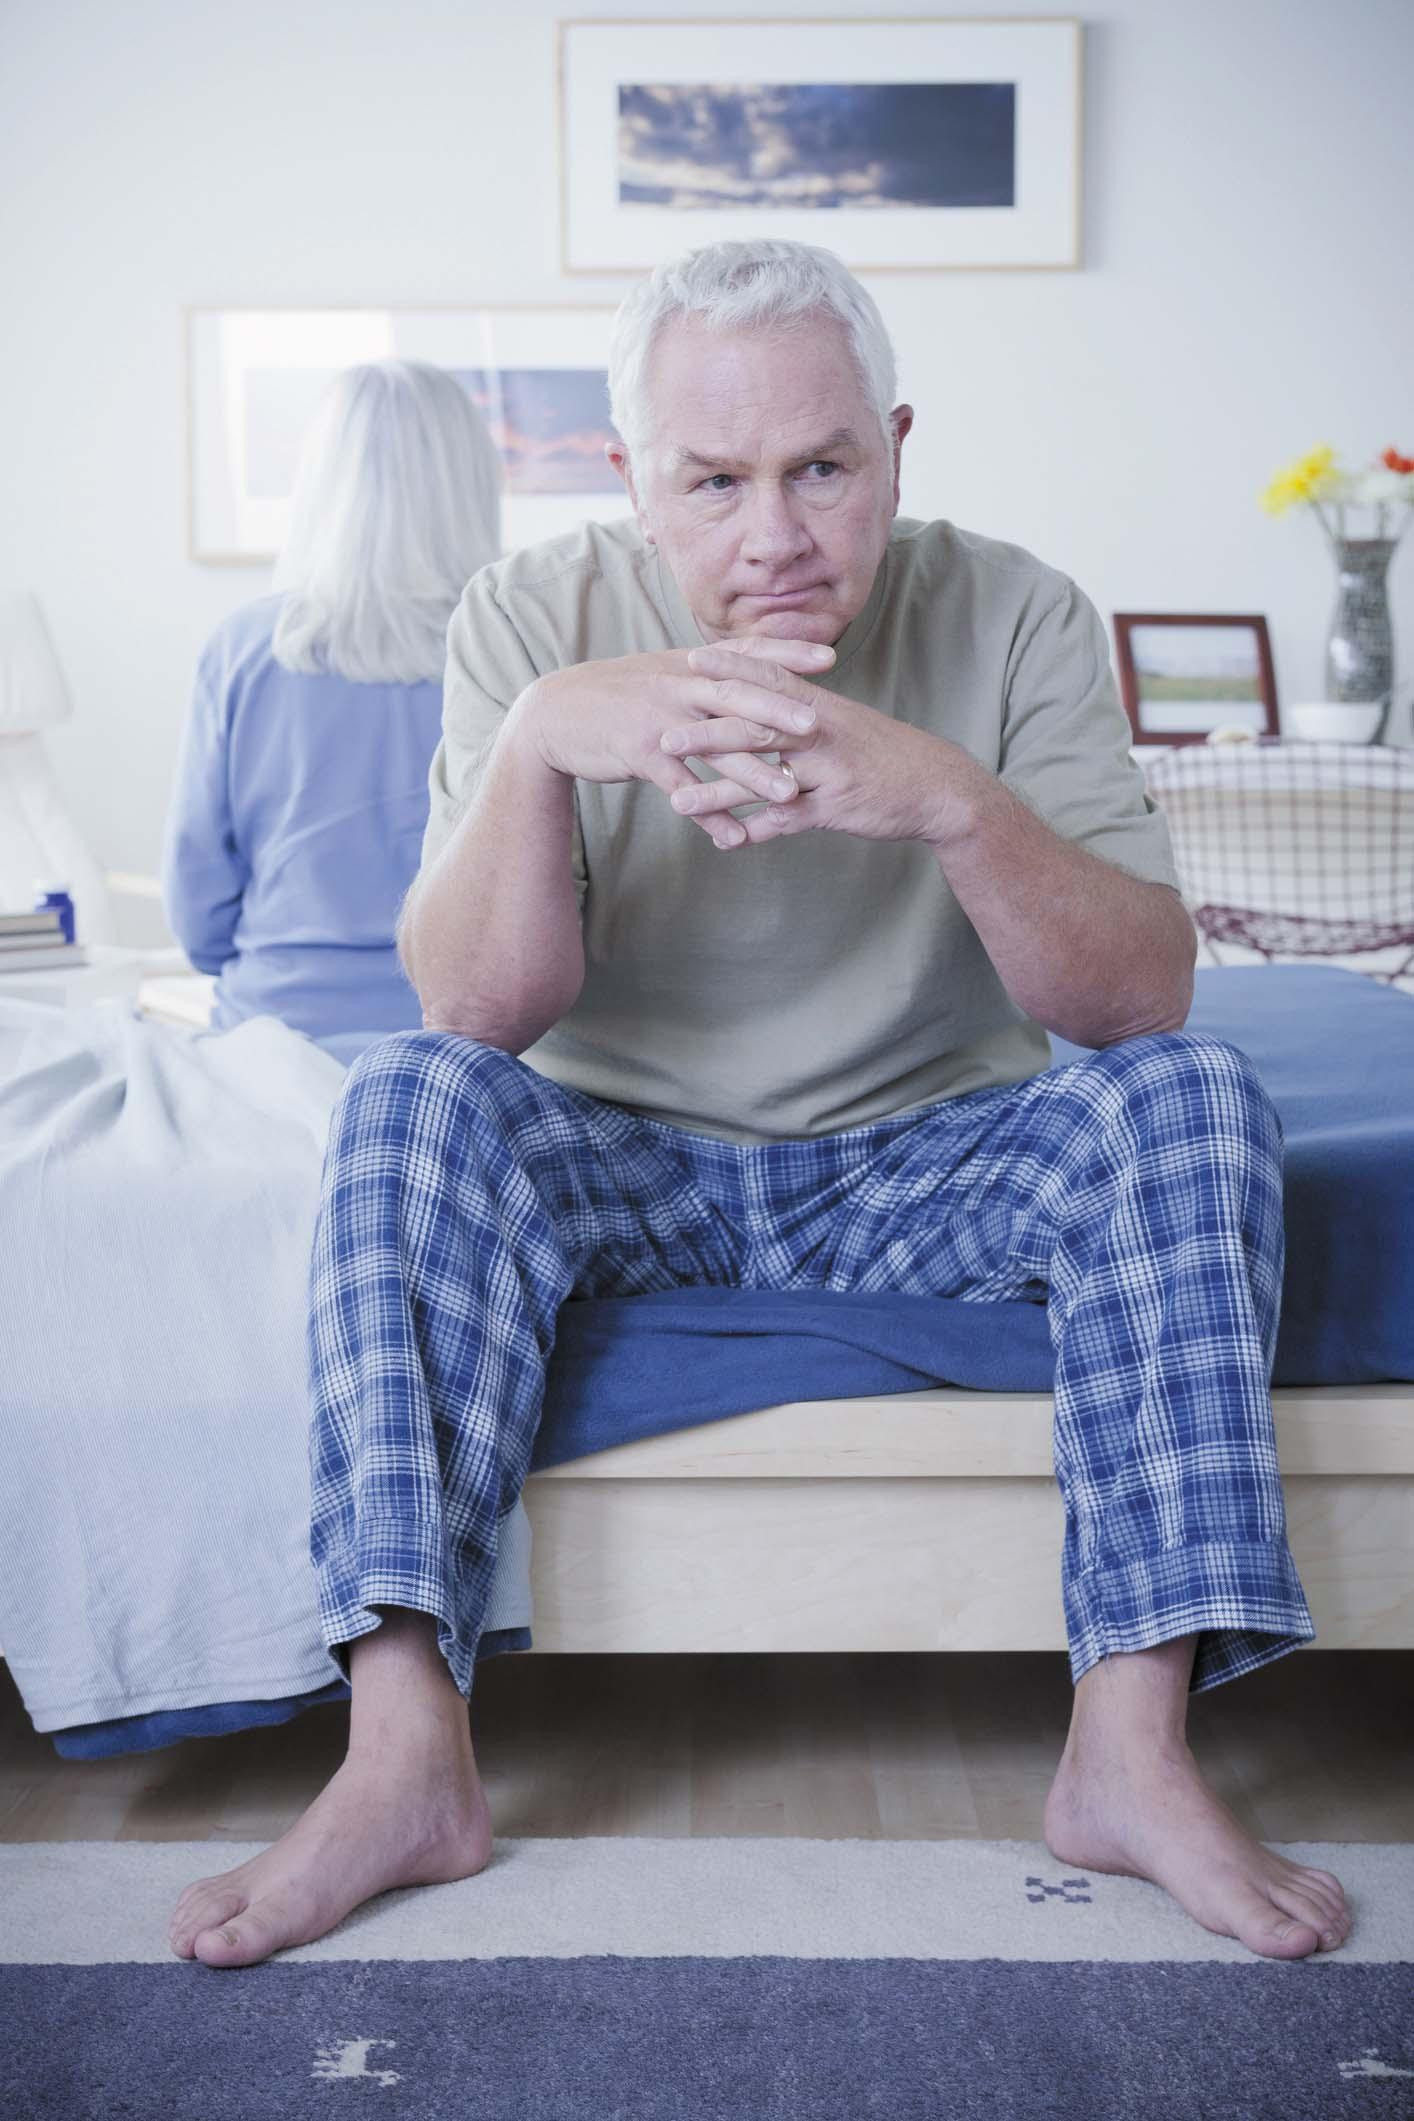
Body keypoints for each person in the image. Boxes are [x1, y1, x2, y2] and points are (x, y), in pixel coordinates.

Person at [168, 239, 1352, 1971]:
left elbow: (1133, 998)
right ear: (625, 476)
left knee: (1190, 1095)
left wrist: (944, 800)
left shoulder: (1010, 609)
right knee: (405, 1096)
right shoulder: (526, 620)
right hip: (616, 1153)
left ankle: (1125, 1746)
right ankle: (406, 1749)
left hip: (926, 1152)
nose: (773, 535)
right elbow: (474, 1012)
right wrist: (537, 748)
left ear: (893, 444)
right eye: (709, 483)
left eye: (821, 469)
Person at [160, 360, 503, 1064]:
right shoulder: (519, 650)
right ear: (470, 482)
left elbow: (198, 912)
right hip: (462, 1049)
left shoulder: (241, 649)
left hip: (269, 1039)